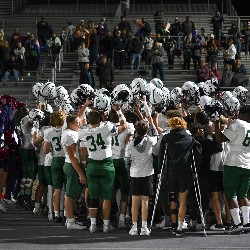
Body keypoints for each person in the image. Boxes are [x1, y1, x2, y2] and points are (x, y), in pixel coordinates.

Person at [78, 106, 127, 233]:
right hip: (106, 165)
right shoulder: (106, 127)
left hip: (92, 165)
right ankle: (106, 225)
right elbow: (124, 126)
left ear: (88, 121)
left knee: (93, 197)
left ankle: (93, 225)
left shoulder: (83, 131)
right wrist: (119, 112)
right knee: (107, 197)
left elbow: (79, 119)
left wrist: (84, 106)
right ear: (99, 119)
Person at [158, 110, 202, 236]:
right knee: (183, 200)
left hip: (172, 172)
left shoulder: (167, 138)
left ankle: (172, 225)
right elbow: (198, 153)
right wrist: (195, 170)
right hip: (185, 172)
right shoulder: (190, 138)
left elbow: (162, 156)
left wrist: (161, 170)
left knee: (172, 199)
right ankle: (179, 226)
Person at [214, 105, 250, 234]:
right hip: (248, 163)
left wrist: (217, 122)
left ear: (243, 114)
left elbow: (219, 139)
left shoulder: (239, 123)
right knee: (243, 194)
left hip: (234, 162)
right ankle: (246, 222)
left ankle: (237, 223)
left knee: (231, 194)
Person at [125, 116, 158, 236]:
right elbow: (156, 134)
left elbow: (126, 159)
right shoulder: (151, 141)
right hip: (147, 174)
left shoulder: (130, 143)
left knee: (134, 201)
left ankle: (134, 227)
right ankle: (144, 227)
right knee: (145, 201)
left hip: (134, 174)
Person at [61, 113, 87, 230]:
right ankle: (70, 221)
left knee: (72, 193)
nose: (79, 124)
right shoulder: (69, 135)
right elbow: (72, 157)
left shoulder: (68, 131)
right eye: (77, 123)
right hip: (72, 165)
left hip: (71, 165)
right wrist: (81, 173)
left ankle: (71, 219)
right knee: (70, 195)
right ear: (70, 124)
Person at [43, 110, 66, 223]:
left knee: (56, 189)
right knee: (67, 189)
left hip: (55, 160)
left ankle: (56, 214)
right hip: (66, 160)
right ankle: (65, 212)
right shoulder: (66, 130)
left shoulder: (48, 131)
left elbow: (46, 150)